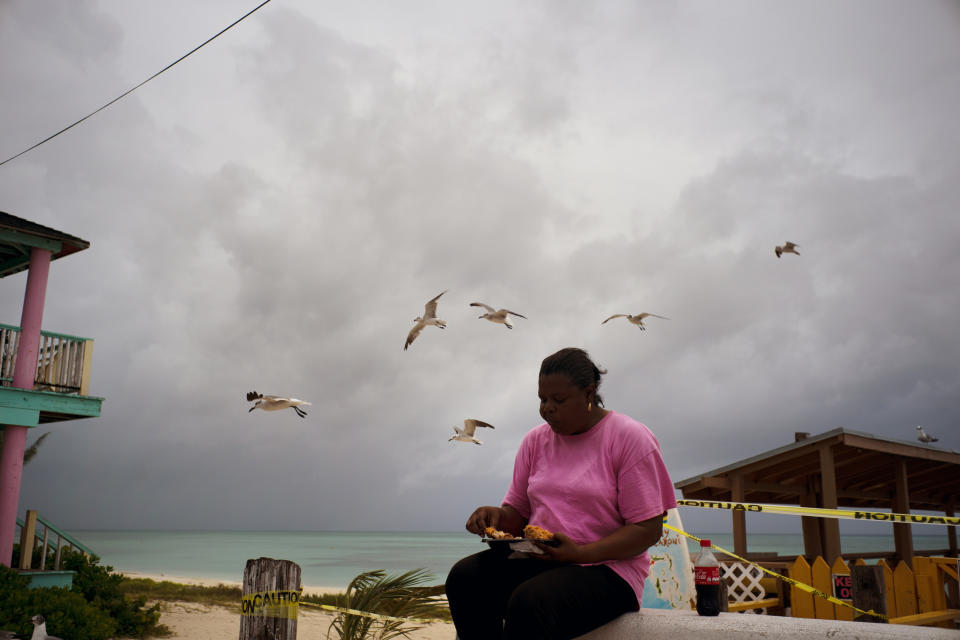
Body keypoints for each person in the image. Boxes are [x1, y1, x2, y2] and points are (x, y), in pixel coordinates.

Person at [445, 347, 677, 640]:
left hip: (609, 571)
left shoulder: (630, 438)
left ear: (589, 394)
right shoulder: (535, 441)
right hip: (544, 559)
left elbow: (648, 528)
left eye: (559, 400)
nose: (547, 408)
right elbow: (517, 516)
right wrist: (496, 518)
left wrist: (580, 553)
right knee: (466, 579)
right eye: (542, 399)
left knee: (531, 602)